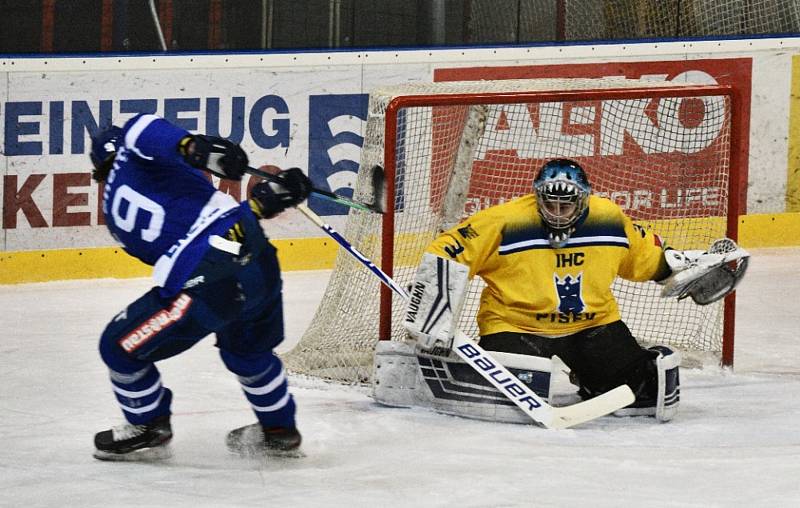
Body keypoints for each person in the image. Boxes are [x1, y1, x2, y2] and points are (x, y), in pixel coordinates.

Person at [402, 158, 749, 422]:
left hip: (592, 326)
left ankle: (594, 375)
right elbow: (445, 251)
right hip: (516, 327)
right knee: (506, 407)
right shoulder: (504, 221)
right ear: (536, 196)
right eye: (548, 204)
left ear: (583, 199)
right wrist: (432, 309)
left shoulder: (608, 218)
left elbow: (646, 259)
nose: (556, 213)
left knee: (646, 392)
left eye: (565, 205)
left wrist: (681, 269)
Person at [89, 113, 312, 460]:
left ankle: (147, 424)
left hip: (206, 280)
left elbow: (198, 245)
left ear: (100, 171)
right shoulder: (141, 147)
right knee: (248, 352)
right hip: (254, 257)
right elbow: (147, 129)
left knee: (118, 348)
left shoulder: (114, 218)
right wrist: (256, 204)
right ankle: (279, 429)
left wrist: (193, 150)